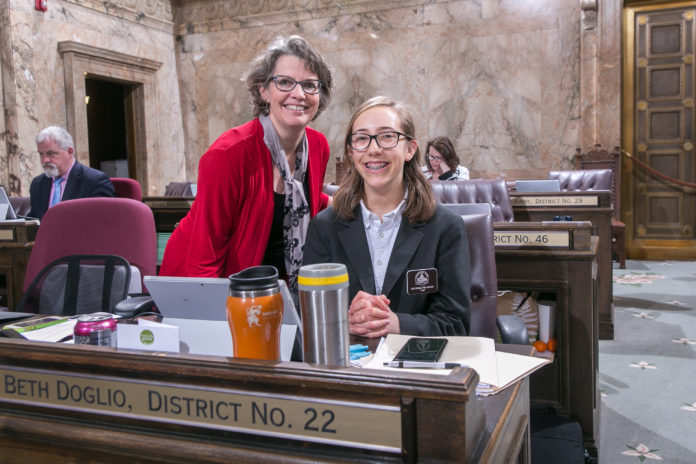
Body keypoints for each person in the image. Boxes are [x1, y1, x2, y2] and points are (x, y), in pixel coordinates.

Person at [160, 36, 333, 295]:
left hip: (275, 289)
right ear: (263, 90)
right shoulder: (229, 153)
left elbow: (299, 201)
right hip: (204, 284)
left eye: (310, 85)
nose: (298, 94)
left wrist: (347, 201)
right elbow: (203, 258)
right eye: (284, 82)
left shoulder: (318, 146)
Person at [303, 96, 471, 338]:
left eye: (387, 136)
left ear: (410, 149)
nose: (373, 149)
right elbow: (308, 315)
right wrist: (345, 321)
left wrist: (394, 323)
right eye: (361, 138)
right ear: (351, 152)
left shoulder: (445, 228)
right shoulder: (324, 227)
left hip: (418, 368)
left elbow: (455, 324)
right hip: (347, 368)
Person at [29, 125, 115, 220]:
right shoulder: (37, 184)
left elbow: (104, 222)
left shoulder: (94, 181)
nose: (44, 160)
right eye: (41, 154)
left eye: (50, 154)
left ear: (70, 152)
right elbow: (34, 222)